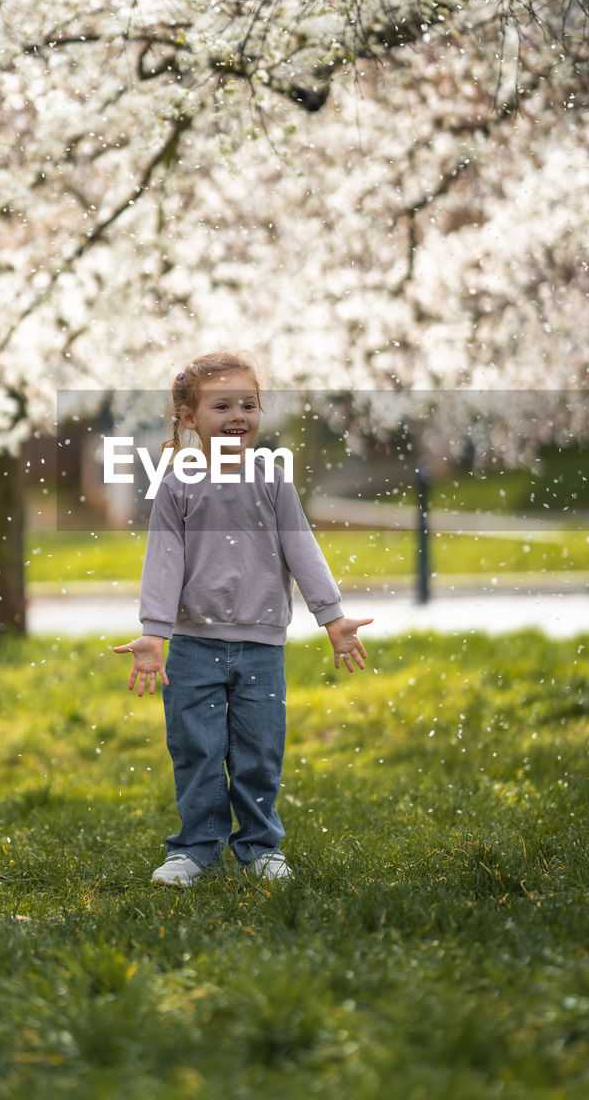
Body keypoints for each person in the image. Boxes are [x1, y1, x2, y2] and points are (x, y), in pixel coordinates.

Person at [113, 351, 372, 886]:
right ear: (189, 419)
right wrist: (154, 633)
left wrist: (333, 617)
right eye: (221, 405)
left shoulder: (272, 480)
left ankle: (259, 848)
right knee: (197, 750)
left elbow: (303, 550)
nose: (237, 415)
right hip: (191, 645)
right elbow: (164, 561)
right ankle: (195, 849)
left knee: (258, 752)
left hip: (261, 647)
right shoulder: (177, 485)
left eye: (247, 405)